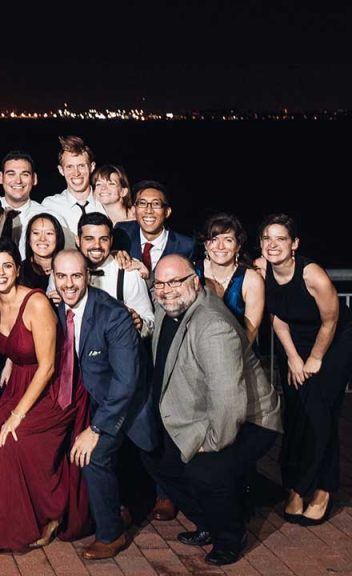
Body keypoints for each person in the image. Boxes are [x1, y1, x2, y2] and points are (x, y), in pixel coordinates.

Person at [144, 255, 281, 566]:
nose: (167, 290)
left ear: (195, 281)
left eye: (175, 282)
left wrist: (211, 444)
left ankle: (230, 536)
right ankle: (208, 521)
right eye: (160, 284)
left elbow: (228, 397)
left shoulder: (212, 325)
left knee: (206, 469)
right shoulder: (168, 309)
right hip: (205, 412)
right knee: (155, 457)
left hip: (251, 419)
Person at [0, 239, 90, 551]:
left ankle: (51, 513)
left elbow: (48, 366)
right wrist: (11, 358)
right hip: (20, 383)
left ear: (17, 269)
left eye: (7, 265)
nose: (1, 272)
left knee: (17, 439)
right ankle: (14, 513)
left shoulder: (37, 302)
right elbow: (15, 342)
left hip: (54, 389)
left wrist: (17, 416)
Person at [51, 250, 158, 560]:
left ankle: (111, 534)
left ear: (88, 276)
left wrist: (97, 428)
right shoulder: (57, 308)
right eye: (61, 277)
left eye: (75, 276)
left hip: (118, 404)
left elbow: (126, 383)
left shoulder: (113, 314)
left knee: (94, 455)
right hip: (82, 398)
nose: (68, 284)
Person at [256, 214, 352, 526]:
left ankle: (321, 489)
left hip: (333, 342)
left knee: (320, 413)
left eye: (281, 238)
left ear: (294, 244)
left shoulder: (314, 276)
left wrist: (314, 359)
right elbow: (276, 316)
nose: (272, 244)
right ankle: (296, 485)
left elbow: (331, 321)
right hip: (294, 340)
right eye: (267, 238)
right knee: (296, 413)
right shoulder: (261, 268)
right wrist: (294, 357)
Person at [75, 213, 154, 338]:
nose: (97, 245)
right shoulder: (64, 270)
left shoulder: (128, 272)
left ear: (111, 241)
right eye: (89, 239)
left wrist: (140, 323)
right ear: (77, 240)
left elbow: (150, 323)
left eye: (103, 239)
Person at [195, 213, 265, 345]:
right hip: (198, 348)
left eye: (228, 240)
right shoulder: (193, 272)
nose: (220, 246)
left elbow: (251, 331)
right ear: (205, 245)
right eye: (214, 239)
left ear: (238, 246)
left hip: (239, 350)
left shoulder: (251, 279)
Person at [0, 150, 72, 253]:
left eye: (25, 174)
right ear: (1, 178)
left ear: (34, 179)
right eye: (11, 174)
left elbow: (69, 255)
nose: (18, 180)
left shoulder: (50, 217)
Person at [114, 180, 195, 275]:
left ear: (167, 212)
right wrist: (113, 254)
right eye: (142, 203)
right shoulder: (121, 232)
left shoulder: (185, 246)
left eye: (156, 204)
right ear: (133, 210)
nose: (148, 210)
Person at [41, 136, 107, 235]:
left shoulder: (105, 203)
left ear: (92, 167)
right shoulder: (50, 206)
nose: (76, 173)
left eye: (81, 166)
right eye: (69, 167)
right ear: (61, 170)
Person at [19, 214, 66, 290]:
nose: (42, 239)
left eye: (49, 233)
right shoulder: (19, 271)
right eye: (36, 233)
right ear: (29, 238)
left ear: (58, 238)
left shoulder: (68, 268)